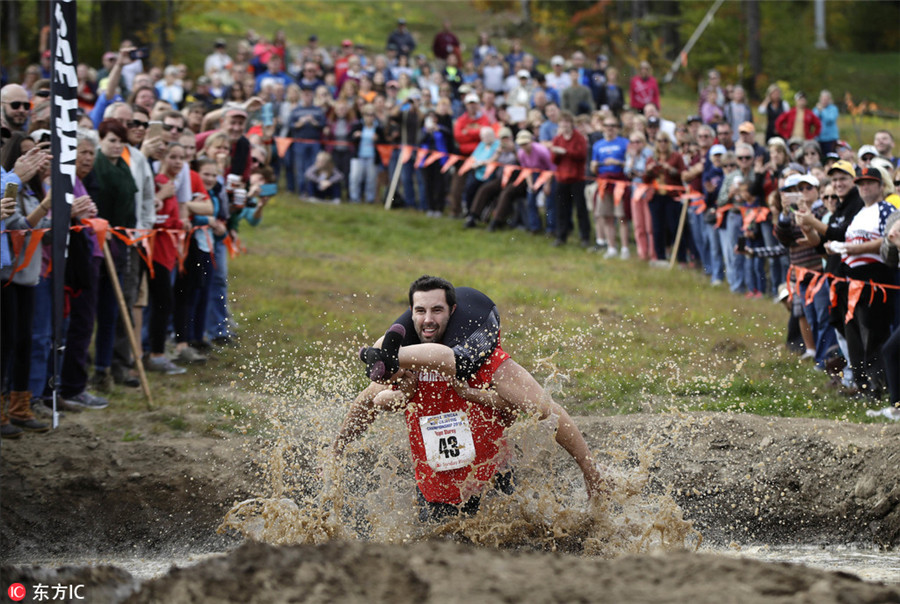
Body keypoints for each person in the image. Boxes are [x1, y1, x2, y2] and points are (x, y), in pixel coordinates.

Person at [334, 276, 606, 519]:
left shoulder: (487, 362)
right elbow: (368, 401)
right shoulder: (408, 370)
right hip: (434, 488)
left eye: (437, 311)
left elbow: (547, 411)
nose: (429, 319)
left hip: (491, 482)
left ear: (452, 312)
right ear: (411, 314)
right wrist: (337, 450)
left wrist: (589, 470)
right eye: (421, 311)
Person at [589, 115, 629, 258]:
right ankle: (611, 247)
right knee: (606, 216)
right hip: (603, 183)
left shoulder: (625, 143)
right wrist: (594, 166)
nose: (609, 129)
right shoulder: (598, 145)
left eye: (612, 126)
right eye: (607, 126)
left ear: (617, 128)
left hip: (619, 182)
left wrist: (618, 163)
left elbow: (630, 164)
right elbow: (593, 166)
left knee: (621, 216)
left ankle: (625, 248)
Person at [550, 111, 591, 248]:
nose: (565, 125)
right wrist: (557, 153)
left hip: (576, 178)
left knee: (580, 209)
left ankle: (585, 236)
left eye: (567, 122)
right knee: (561, 209)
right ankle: (561, 236)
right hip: (561, 178)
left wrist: (566, 152)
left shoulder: (579, 138)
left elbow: (582, 155)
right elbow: (554, 160)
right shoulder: (558, 138)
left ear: (571, 123)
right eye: (562, 122)